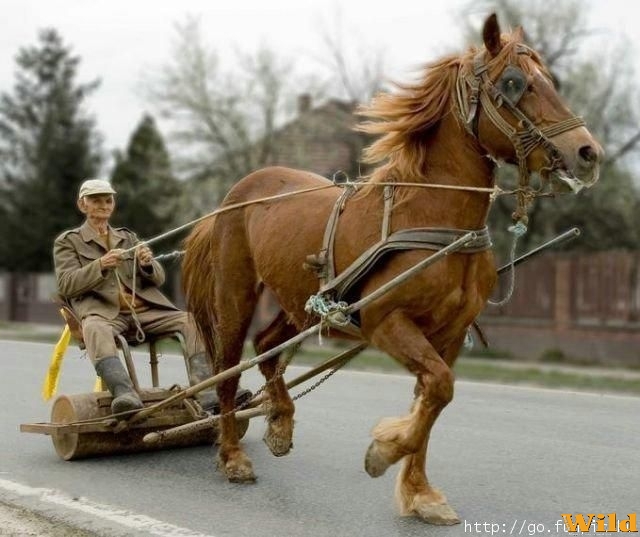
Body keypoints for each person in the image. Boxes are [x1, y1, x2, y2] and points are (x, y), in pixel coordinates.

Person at [53, 178, 249, 415]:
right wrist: (101, 265)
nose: (103, 205)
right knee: (94, 328)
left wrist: (147, 264)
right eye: (96, 200)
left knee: (191, 320)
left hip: (145, 312)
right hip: (104, 314)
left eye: (108, 200)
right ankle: (124, 394)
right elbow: (66, 285)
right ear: (82, 205)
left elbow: (158, 279)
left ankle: (207, 390)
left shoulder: (127, 238)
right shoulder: (68, 242)